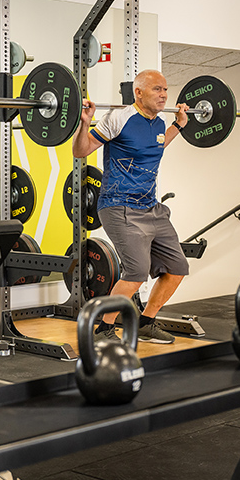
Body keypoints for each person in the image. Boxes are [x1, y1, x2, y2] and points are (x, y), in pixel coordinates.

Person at [71, 69, 190, 344]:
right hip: (119, 206)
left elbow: (157, 147)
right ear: (138, 92)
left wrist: (179, 126)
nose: (164, 94)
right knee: (136, 272)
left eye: (165, 89)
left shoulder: (159, 123)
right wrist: (84, 124)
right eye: (157, 89)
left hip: (151, 207)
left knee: (177, 267)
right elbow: (81, 151)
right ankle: (103, 330)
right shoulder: (119, 118)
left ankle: (146, 323)